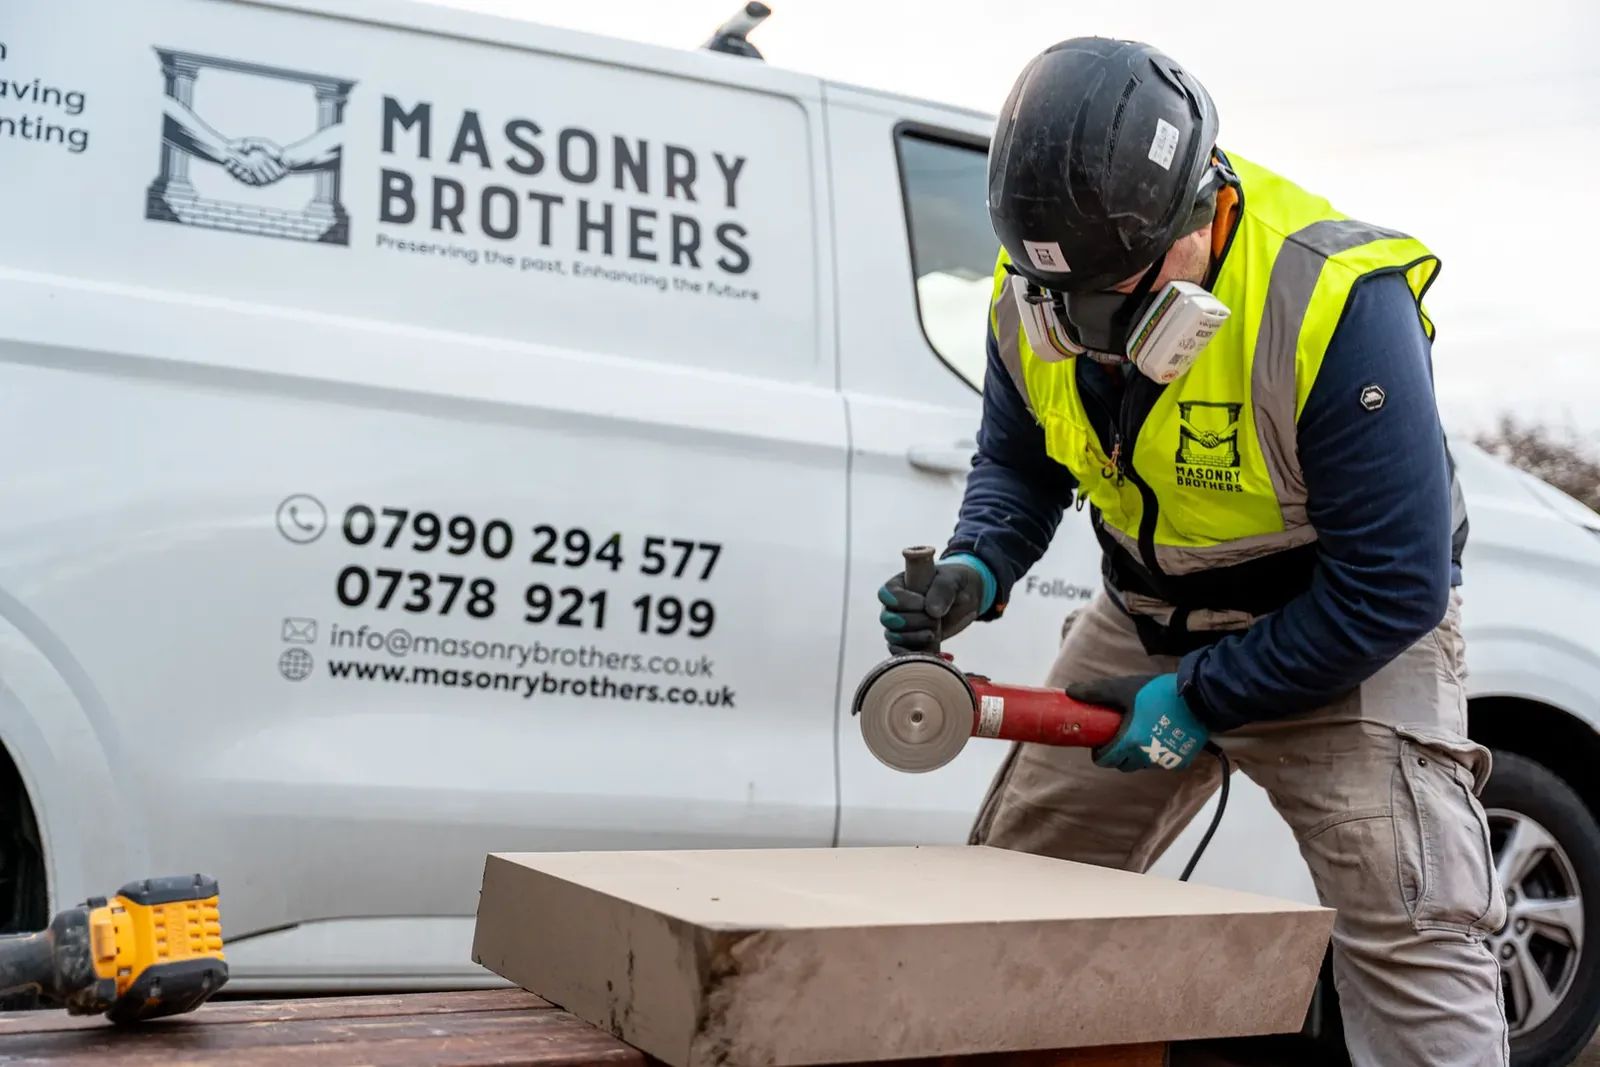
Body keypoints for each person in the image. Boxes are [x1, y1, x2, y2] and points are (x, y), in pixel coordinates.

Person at [877, 37, 1507, 1066]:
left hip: (1340, 624)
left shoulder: (1335, 301)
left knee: (1414, 926)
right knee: (1009, 890)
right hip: (1146, 613)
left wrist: (1207, 697)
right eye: (1067, 300)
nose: (1093, 333)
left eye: (1118, 295)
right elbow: (1020, 457)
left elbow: (1395, 584)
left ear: (1200, 215)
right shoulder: (1041, 281)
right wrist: (976, 564)